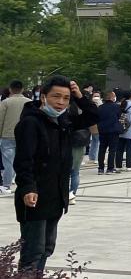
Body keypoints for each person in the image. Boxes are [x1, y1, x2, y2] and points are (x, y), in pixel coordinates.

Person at [14, 77, 98, 273]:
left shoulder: (63, 121)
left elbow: (93, 115)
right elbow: (24, 160)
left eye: (66, 98)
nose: (61, 102)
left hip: (56, 195)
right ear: (43, 97)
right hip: (35, 196)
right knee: (33, 251)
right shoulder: (31, 122)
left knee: (46, 248)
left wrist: (80, 97)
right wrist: (28, 187)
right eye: (56, 96)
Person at [0, 80, 31, 194]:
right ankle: (24, 183)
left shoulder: (5, 102)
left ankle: (6, 185)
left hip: (7, 135)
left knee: (8, 162)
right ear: (22, 89)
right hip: (25, 135)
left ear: (10, 89)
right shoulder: (29, 102)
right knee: (24, 160)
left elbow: (0, 120)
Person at [95, 90, 121, 175]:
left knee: (102, 149)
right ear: (111, 97)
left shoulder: (100, 107)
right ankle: (110, 168)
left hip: (102, 130)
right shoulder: (116, 107)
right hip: (113, 130)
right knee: (112, 150)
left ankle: (100, 168)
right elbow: (118, 116)